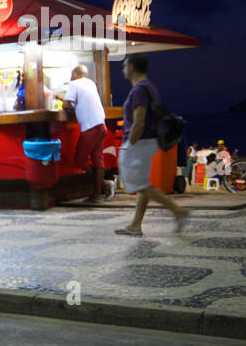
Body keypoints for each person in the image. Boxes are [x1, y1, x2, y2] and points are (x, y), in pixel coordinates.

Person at [115, 53, 187, 236]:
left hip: (139, 141)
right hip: (149, 140)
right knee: (142, 183)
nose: (123, 69)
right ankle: (135, 225)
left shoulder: (139, 90)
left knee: (137, 184)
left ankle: (178, 211)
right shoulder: (149, 87)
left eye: (124, 65)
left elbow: (139, 120)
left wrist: (131, 142)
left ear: (131, 67)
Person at [63, 64, 108, 203]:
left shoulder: (74, 83)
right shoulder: (90, 83)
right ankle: (98, 193)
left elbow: (65, 105)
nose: (71, 77)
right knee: (97, 159)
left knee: (80, 161)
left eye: (71, 74)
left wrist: (64, 102)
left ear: (75, 74)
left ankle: (104, 186)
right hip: (101, 124)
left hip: (90, 127)